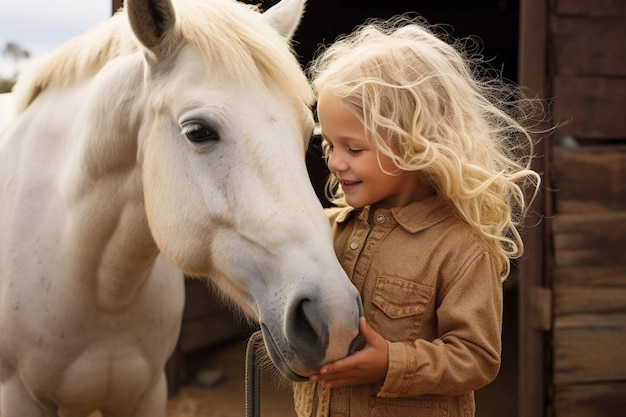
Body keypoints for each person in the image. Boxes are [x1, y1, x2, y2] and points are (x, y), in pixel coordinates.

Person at [293, 15, 546, 417]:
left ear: (416, 142)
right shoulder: (324, 231)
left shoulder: (461, 248)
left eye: (354, 149)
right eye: (329, 146)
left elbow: (477, 357)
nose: (335, 163)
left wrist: (391, 364)